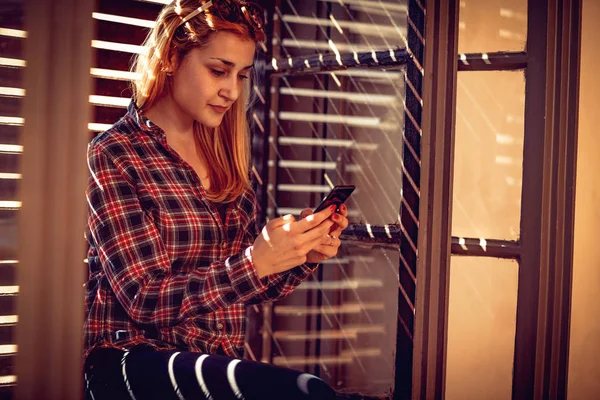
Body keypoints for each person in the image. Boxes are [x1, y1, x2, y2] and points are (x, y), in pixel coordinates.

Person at [83, 0, 349, 399]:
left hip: (211, 359)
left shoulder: (222, 155)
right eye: (218, 70)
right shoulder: (114, 154)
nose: (231, 90)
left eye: (241, 75)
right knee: (305, 392)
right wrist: (254, 262)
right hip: (128, 362)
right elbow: (143, 298)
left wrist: (297, 253)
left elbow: (238, 283)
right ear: (173, 57)